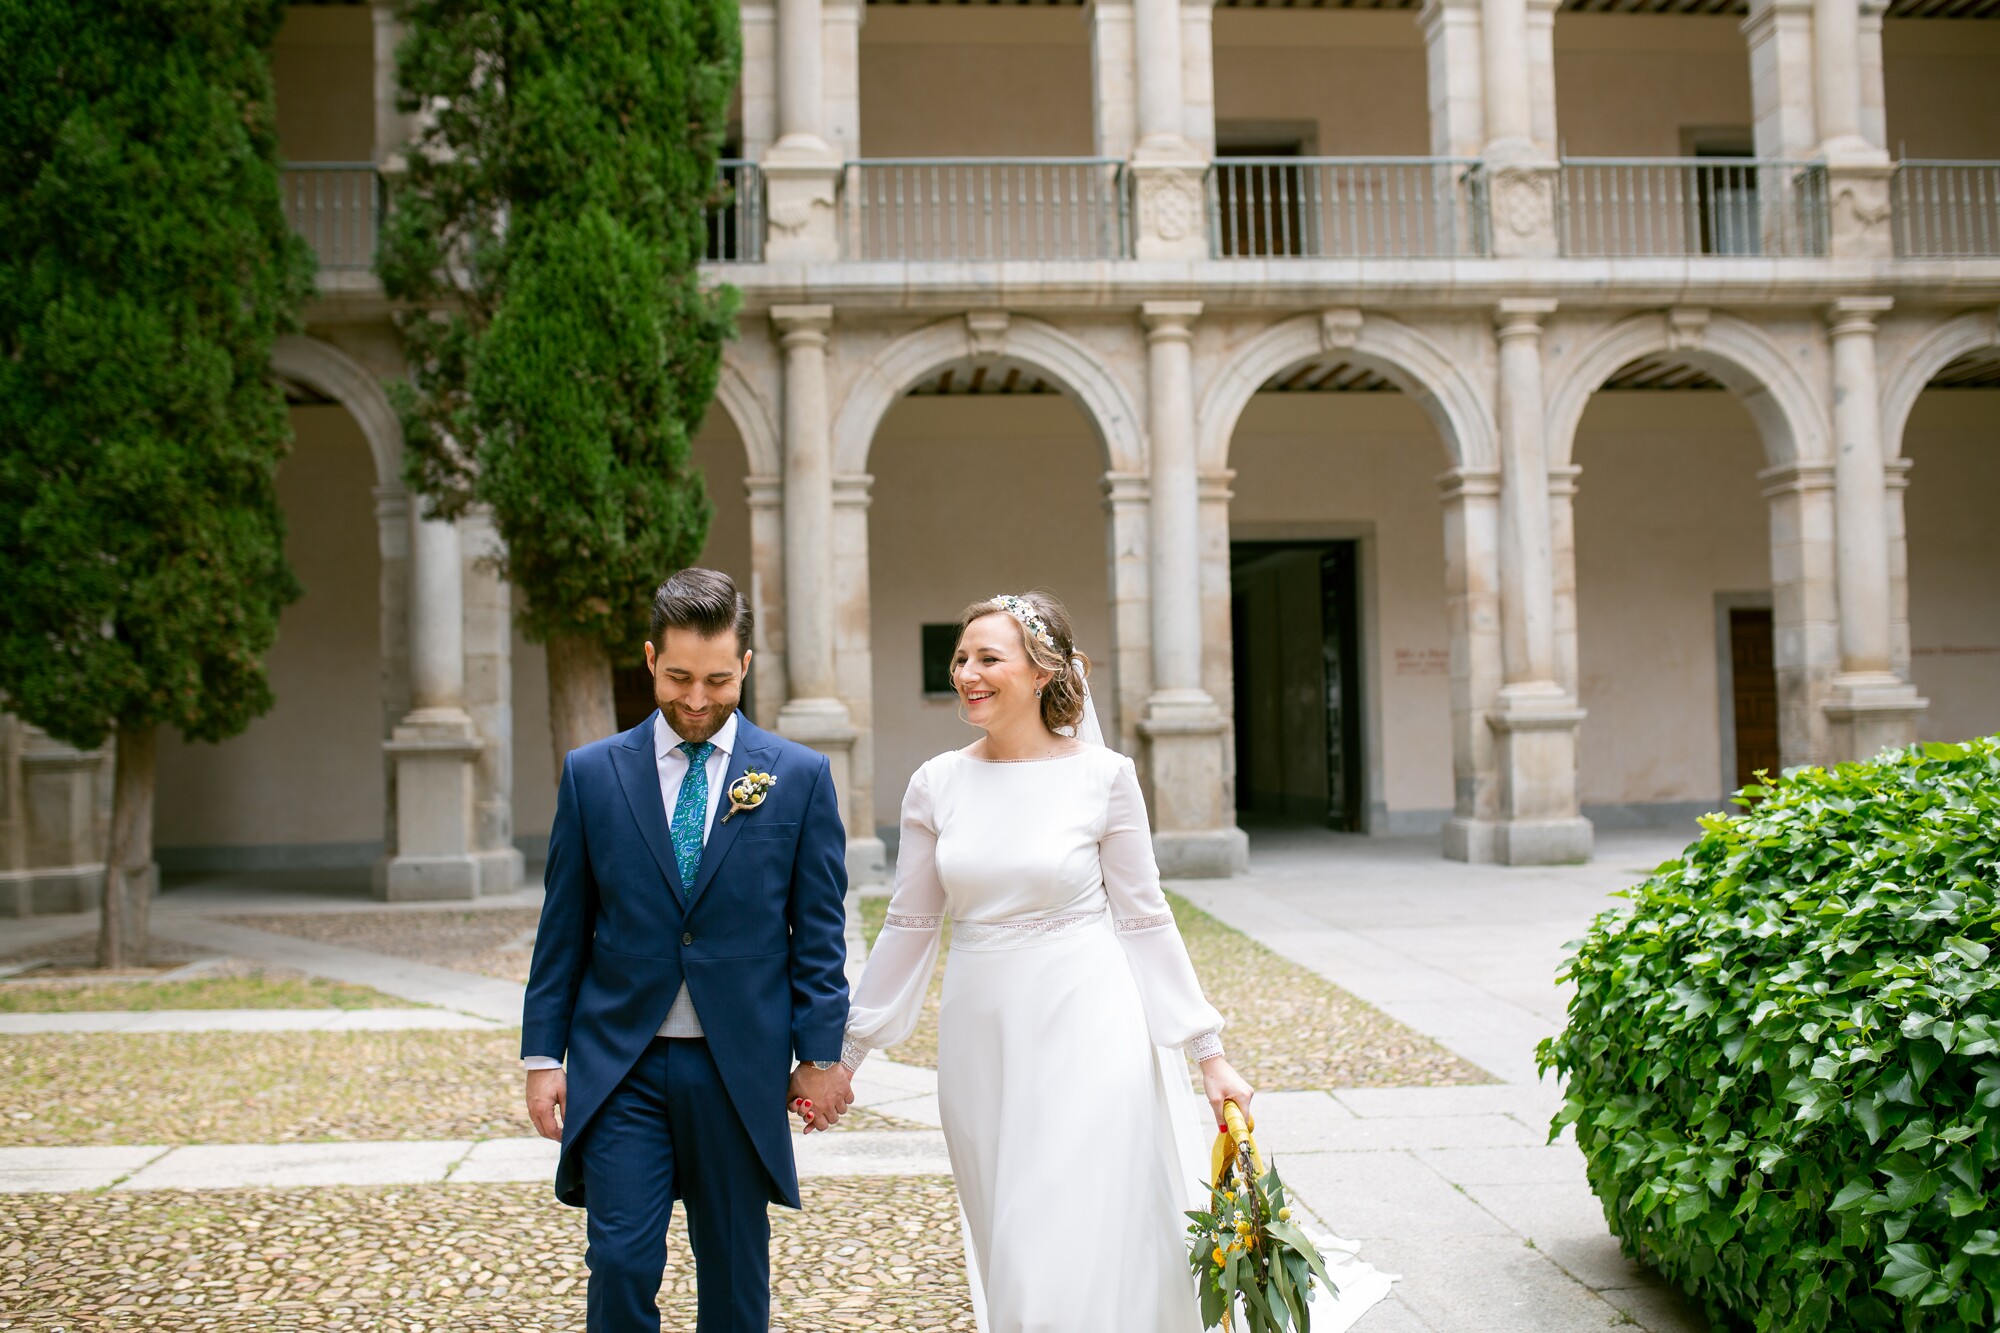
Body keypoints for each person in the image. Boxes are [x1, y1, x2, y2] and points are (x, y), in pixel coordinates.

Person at [840, 591, 1254, 1331]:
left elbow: (1145, 917)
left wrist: (1207, 1050)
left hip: (1087, 1025)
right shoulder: (936, 783)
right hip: (981, 1037)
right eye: (962, 657)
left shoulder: (1105, 776)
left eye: (989, 657)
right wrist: (848, 1054)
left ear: (1041, 673)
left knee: (1055, 1229)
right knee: (1009, 1230)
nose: (968, 671)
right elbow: (908, 924)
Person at [520, 567, 853, 1333]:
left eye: (714, 678)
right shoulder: (591, 774)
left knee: (736, 1276)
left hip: (736, 1067)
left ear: (744, 665)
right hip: (620, 1064)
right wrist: (543, 1057)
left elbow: (819, 932)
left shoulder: (798, 778)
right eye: (676, 677)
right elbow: (562, 927)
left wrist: (818, 1049)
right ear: (648, 659)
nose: (696, 700)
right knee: (621, 1261)